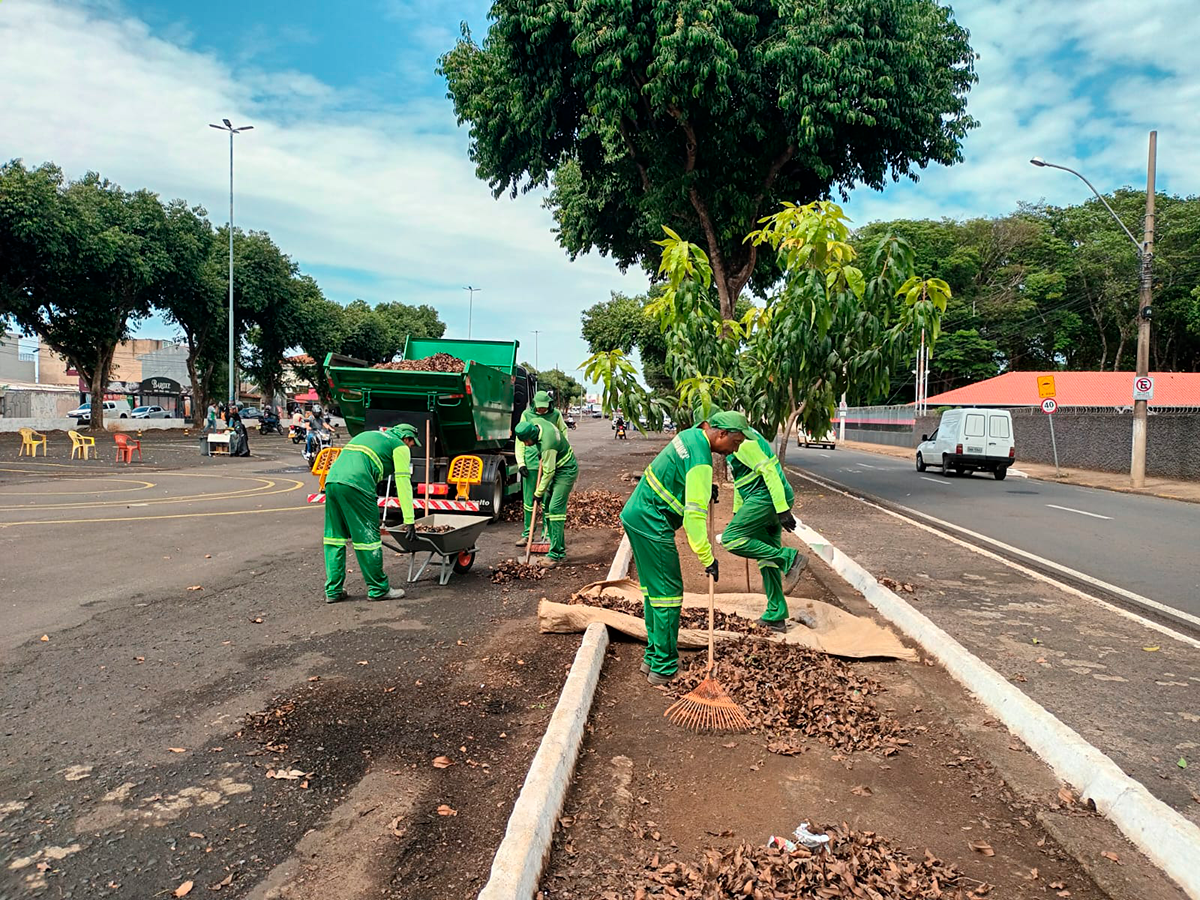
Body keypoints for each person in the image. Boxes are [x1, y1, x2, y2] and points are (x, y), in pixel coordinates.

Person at [618, 410, 749, 685]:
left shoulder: (691, 436)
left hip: (637, 514)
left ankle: (653, 657)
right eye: (735, 443)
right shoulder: (702, 460)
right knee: (668, 593)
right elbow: (694, 516)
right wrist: (707, 557)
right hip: (652, 521)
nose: (734, 450)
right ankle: (664, 667)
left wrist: (704, 489)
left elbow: (680, 476)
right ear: (721, 434)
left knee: (653, 592)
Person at [720, 423, 806, 631]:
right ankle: (776, 615)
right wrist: (737, 511)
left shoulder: (743, 443)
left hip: (765, 499)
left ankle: (790, 558)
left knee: (731, 538)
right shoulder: (743, 438)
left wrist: (781, 508)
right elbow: (743, 483)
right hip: (768, 499)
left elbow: (769, 472)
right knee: (767, 560)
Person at [322, 423, 420, 603]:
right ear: (407, 438)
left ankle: (333, 591)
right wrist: (409, 520)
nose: (411, 448)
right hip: (358, 484)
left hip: (332, 481)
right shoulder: (399, 446)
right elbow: (403, 482)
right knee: (368, 539)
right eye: (412, 444)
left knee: (334, 538)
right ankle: (378, 589)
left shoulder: (370, 435)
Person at [514, 417, 577, 567]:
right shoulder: (537, 422)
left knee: (555, 508)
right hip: (555, 467)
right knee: (548, 507)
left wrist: (538, 493)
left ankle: (555, 555)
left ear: (532, 435)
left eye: (526, 441)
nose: (525, 444)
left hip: (565, 470)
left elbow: (548, 472)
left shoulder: (548, 445)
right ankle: (559, 550)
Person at [514, 391, 567, 546]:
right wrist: (521, 463)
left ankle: (547, 533)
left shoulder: (556, 415)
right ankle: (527, 533)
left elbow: (563, 433)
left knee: (546, 500)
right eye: (539, 407)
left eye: (544, 407)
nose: (542, 410)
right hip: (531, 462)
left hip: (549, 462)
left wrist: (558, 453)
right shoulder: (526, 415)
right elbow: (519, 440)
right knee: (529, 501)